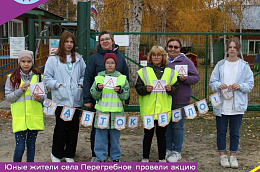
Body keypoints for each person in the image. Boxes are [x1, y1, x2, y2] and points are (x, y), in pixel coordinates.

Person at [83, 31, 129, 162]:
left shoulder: (120, 63)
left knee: (114, 137)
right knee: (99, 135)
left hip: (116, 110)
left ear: (112, 40)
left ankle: (115, 157)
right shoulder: (95, 61)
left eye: (107, 38)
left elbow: (126, 85)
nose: (105, 41)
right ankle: (98, 156)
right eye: (102, 39)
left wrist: (125, 96)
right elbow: (88, 79)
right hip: (101, 109)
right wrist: (88, 98)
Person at [209, 37, 254, 168]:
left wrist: (240, 86)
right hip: (222, 105)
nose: (232, 50)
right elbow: (212, 82)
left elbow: (250, 84)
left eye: (234, 47)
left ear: (238, 49)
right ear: (227, 49)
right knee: (221, 131)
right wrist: (219, 85)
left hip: (237, 105)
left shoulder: (244, 66)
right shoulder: (220, 65)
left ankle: (233, 156)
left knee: (235, 132)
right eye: (230, 47)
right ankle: (222, 155)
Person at [43, 30, 86, 162]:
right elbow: (46, 78)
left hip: (75, 100)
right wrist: (58, 85)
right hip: (61, 100)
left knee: (73, 129)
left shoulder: (78, 58)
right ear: (62, 43)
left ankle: (69, 154)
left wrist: (80, 85)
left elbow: (85, 75)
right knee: (61, 128)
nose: (69, 44)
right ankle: (56, 154)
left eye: (71, 42)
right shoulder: (53, 59)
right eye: (66, 42)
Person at [135, 45, 179, 162]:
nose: (156, 57)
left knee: (162, 136)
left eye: (159, 55)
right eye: (153, 55)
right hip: (148, 110)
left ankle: (161, 159)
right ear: (150, 57)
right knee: (147, 135)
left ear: (163, 57)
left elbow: (176, 89)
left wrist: (170, 89)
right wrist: (145, 89)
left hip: (163, 110)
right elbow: (138, 88)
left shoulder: (171, 73)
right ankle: (145, 158)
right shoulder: (143, 71)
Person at [5, 50, 44, 162]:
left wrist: (39, 98)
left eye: (28, 61)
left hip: (33, 118)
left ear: (32, 62)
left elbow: (44, 96)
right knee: (20, 147)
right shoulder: (12, 78)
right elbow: (8, 98)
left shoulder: (39, 77)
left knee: (31, 146)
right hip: (20, 119)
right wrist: (20, 90)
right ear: (19, 62)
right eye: (23, 61)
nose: (26, 64)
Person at [165, 37, 200, 162]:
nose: (173, 49)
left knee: (177, 126)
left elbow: (196, 77)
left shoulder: (186, 61)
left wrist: (186, 79)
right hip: (164, 99)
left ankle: (177, 151)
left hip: (180, 100)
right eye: (170, 46)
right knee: (166, 126)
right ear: (167, 48)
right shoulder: (163, 61)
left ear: (180, 49)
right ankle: (167, 148)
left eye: (176, 47)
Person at [90, 53, 129, 162]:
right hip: (102, 113)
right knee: (100, 139)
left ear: (116, 64)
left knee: (115, 139)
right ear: (104, 64)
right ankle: (100, 158)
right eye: (108, 62)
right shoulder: (99, 78)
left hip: (117, 114)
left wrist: (120, 91)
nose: (110, 65)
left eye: (112, 63)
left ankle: (115, 158)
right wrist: (98, 89)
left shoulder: (121, 78)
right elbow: (94, 94)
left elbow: (126, 95)